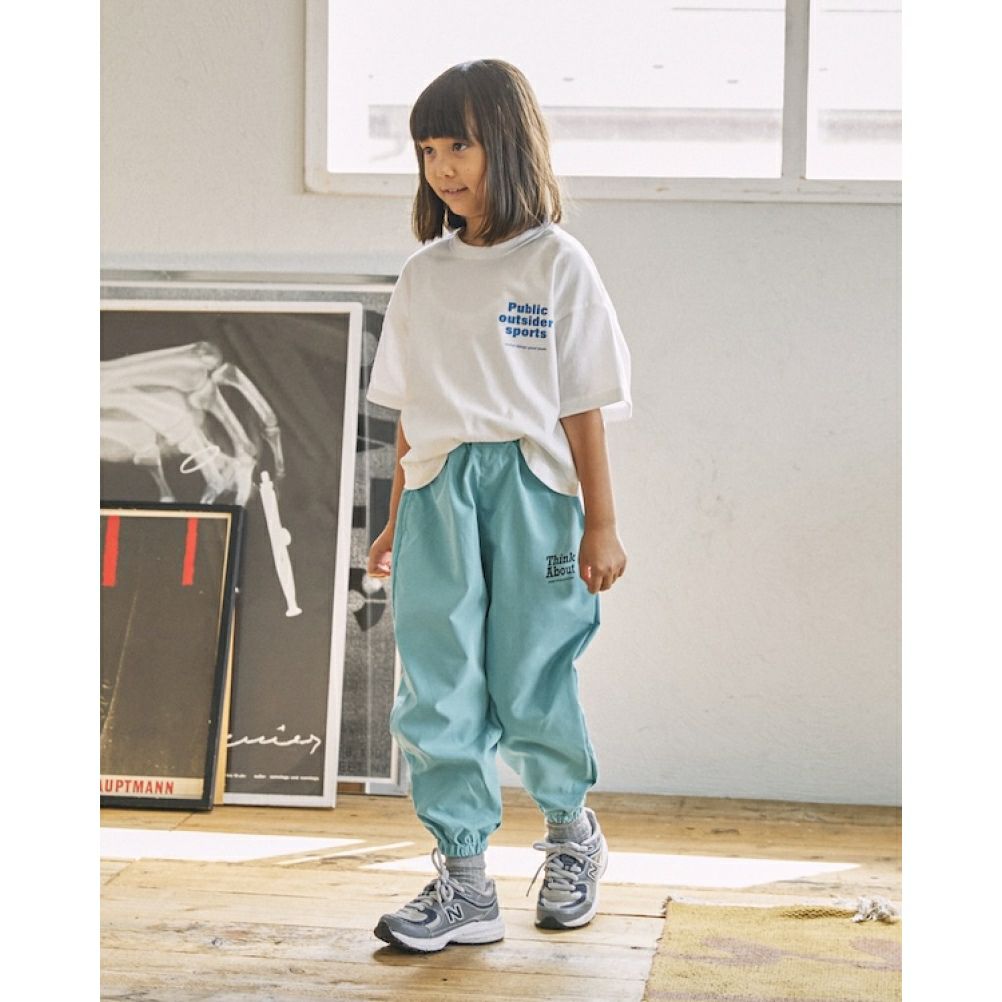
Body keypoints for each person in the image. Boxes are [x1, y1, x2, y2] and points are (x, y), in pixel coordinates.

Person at [365, 58, 632, 954]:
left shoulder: (558, 263)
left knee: (531, 676)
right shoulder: (424, 274)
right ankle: (465, 881)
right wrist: (396, 519)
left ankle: (570, 834)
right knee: (437, 685)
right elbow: (413, 412)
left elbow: (583, 405)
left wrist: (601, 521)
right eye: (427, 150)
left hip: (532, 493)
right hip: (438, 494)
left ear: (509, 145)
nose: (442, 167)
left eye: (460, 145)